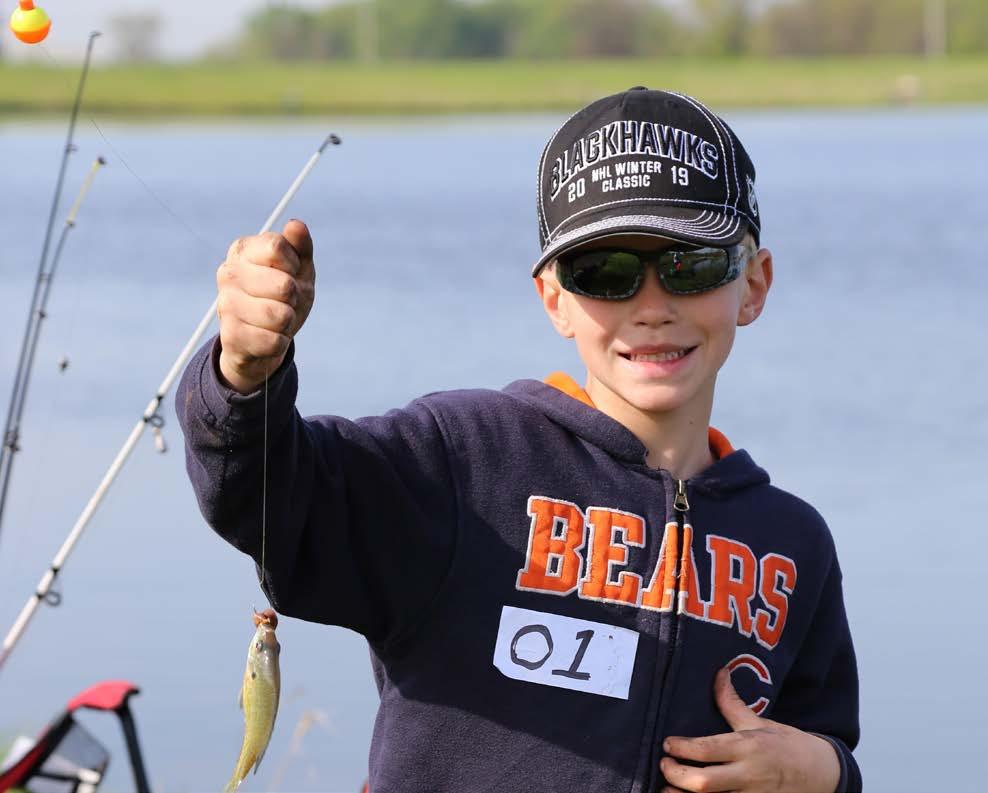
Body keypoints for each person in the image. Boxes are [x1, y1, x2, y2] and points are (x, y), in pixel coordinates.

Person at [176, 86, 861, 792]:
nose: (654, 306)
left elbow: (824, 735)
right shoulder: (460, 460)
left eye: (692, 265)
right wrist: (244, 375)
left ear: (754, 284)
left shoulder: (795, 543)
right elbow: (270, 496)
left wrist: (825, 770)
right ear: (555, 298)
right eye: (607, 272)